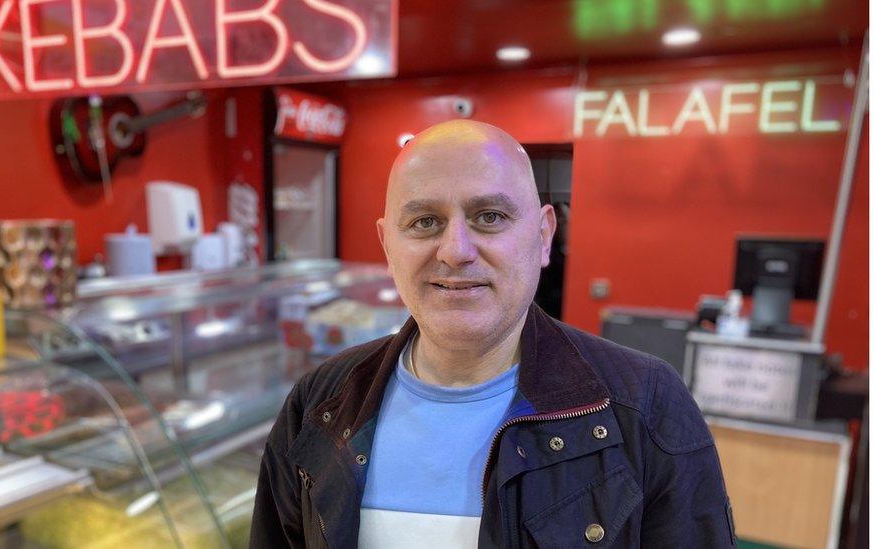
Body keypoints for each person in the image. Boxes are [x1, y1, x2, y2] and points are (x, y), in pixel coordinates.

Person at [250, 120, 734, 548]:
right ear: (387, 245)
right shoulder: (319, 404)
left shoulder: (645, 405)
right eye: (424, 222)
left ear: (544, 236)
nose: (456, 250)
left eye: (490, 217)